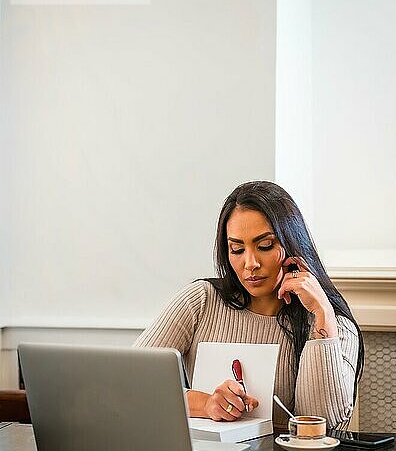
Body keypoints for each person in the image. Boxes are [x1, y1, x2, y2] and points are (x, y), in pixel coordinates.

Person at [134, 181, 364, 429]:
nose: (250, 263)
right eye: (237, 249)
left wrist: (322, 315)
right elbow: (130, 382)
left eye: (265, 246)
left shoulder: (334, 325)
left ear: (292, 244)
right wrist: (206, 404)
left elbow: (323, 426)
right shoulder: (200, 300)